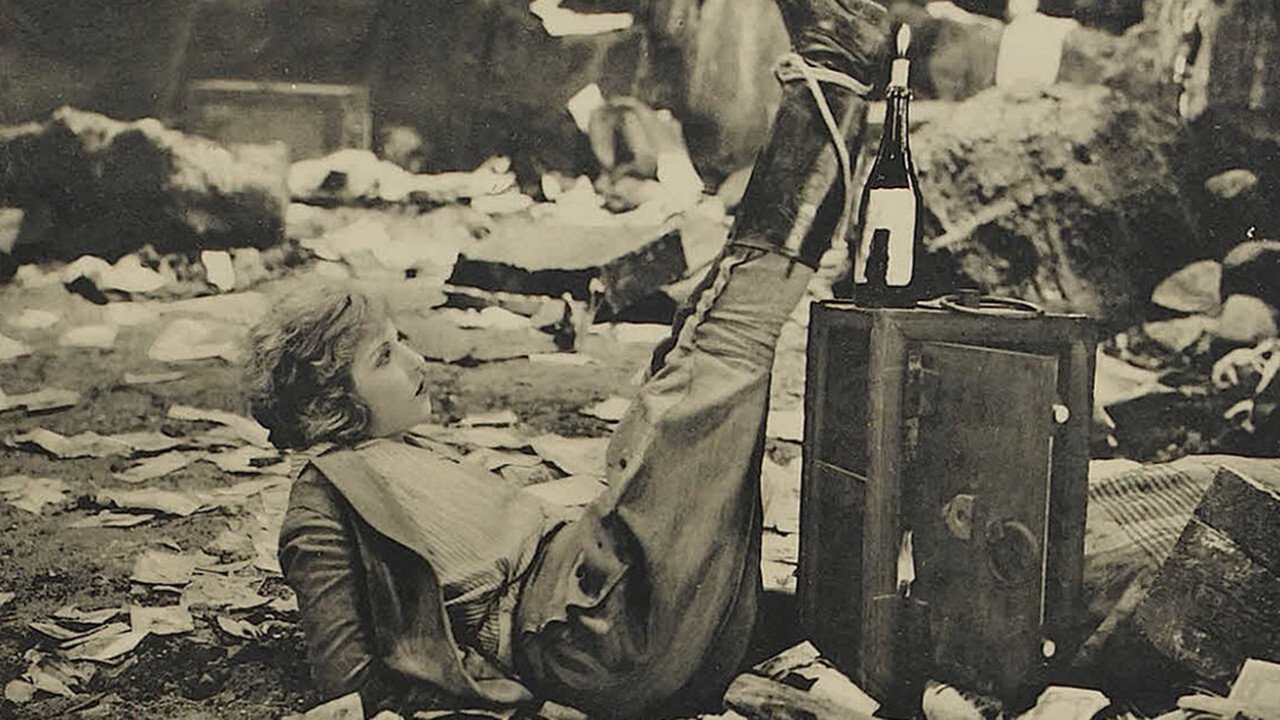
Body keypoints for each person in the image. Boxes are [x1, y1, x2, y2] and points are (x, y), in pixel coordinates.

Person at [248, 1, 891, 717]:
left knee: (689, 345)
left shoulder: (399, 448)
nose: (415, 361)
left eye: (400, 342)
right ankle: (836, 73)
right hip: (591, 637)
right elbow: (346, 682)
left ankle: (838, 78)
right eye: (383, 358)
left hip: (604, 599)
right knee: (720, 351)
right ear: (332, 404)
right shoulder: (322, 502)